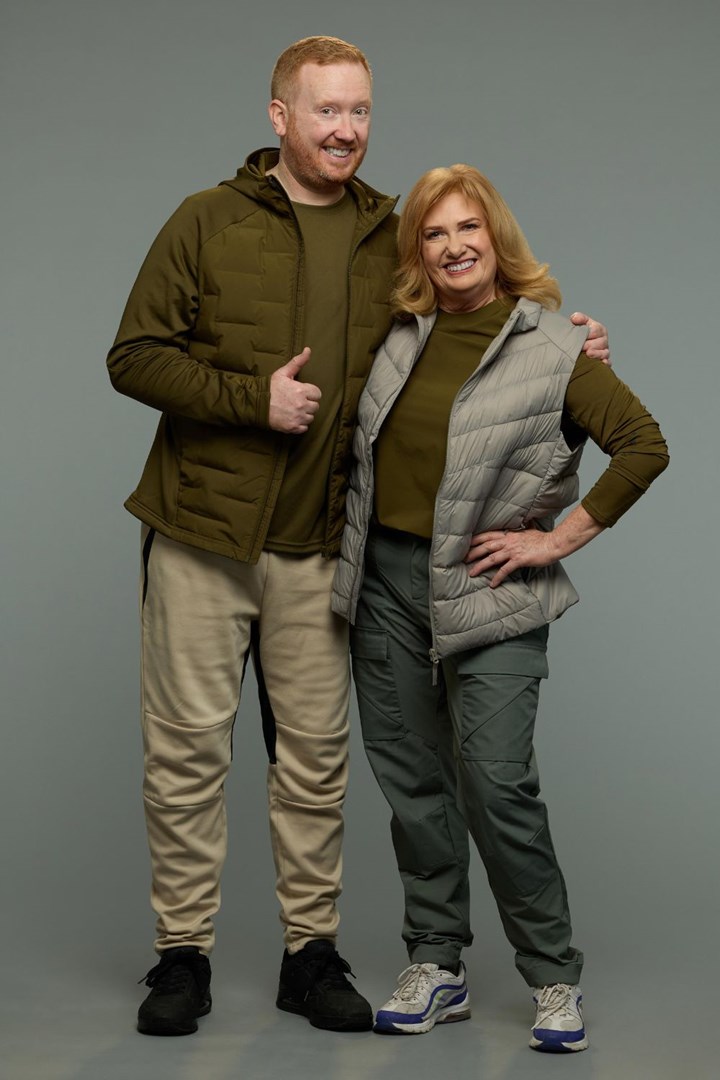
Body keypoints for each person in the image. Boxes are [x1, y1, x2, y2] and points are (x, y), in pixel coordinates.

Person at [107, 36, 608, 1039]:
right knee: (189, 755)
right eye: (324, 110)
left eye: (360, 111)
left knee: (317, 762)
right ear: (278, 116)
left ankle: (310, 954)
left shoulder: (392, 233)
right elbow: (134, 357)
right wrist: (255, 399)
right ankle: (182, 957)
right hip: (203, 534)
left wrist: (564, 341)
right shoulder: (204, 221)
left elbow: (467, 304)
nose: (345, 129)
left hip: (322, 547)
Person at [332, 164, 668, 1053]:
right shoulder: (397, 337)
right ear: (419, 251)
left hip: (492, 591)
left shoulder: (556, 346)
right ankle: (436, 962)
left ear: (497, 238)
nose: (453, 247)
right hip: (386, 586)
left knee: (494, 778)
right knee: (412, 783)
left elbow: (642, 445)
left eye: (467, 230)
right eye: (434, 234)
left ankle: (554, 976)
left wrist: (556, 540)